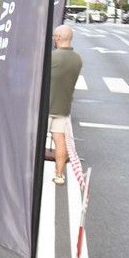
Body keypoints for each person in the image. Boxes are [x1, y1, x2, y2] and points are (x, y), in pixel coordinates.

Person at [49, 25, 83, 186]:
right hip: (63, 107)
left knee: (33, 139)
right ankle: (59, 174)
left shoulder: (52, 57)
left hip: (45, 107)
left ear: (57, 38)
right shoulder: (77, 59)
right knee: (60, 139)